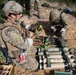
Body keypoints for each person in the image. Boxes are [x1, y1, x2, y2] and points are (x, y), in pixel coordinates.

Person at [0, 0, 38, 71]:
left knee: (34, 50)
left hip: (18, 47)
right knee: (34, 65)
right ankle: (15, 63)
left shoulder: (12, 23)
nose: (21, 15)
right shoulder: (9, 31)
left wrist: (26, 29)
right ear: (12, 15)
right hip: (14, 56)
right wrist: (32, 38)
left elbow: (20, 31)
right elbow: (23, 45)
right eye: (19, 13)